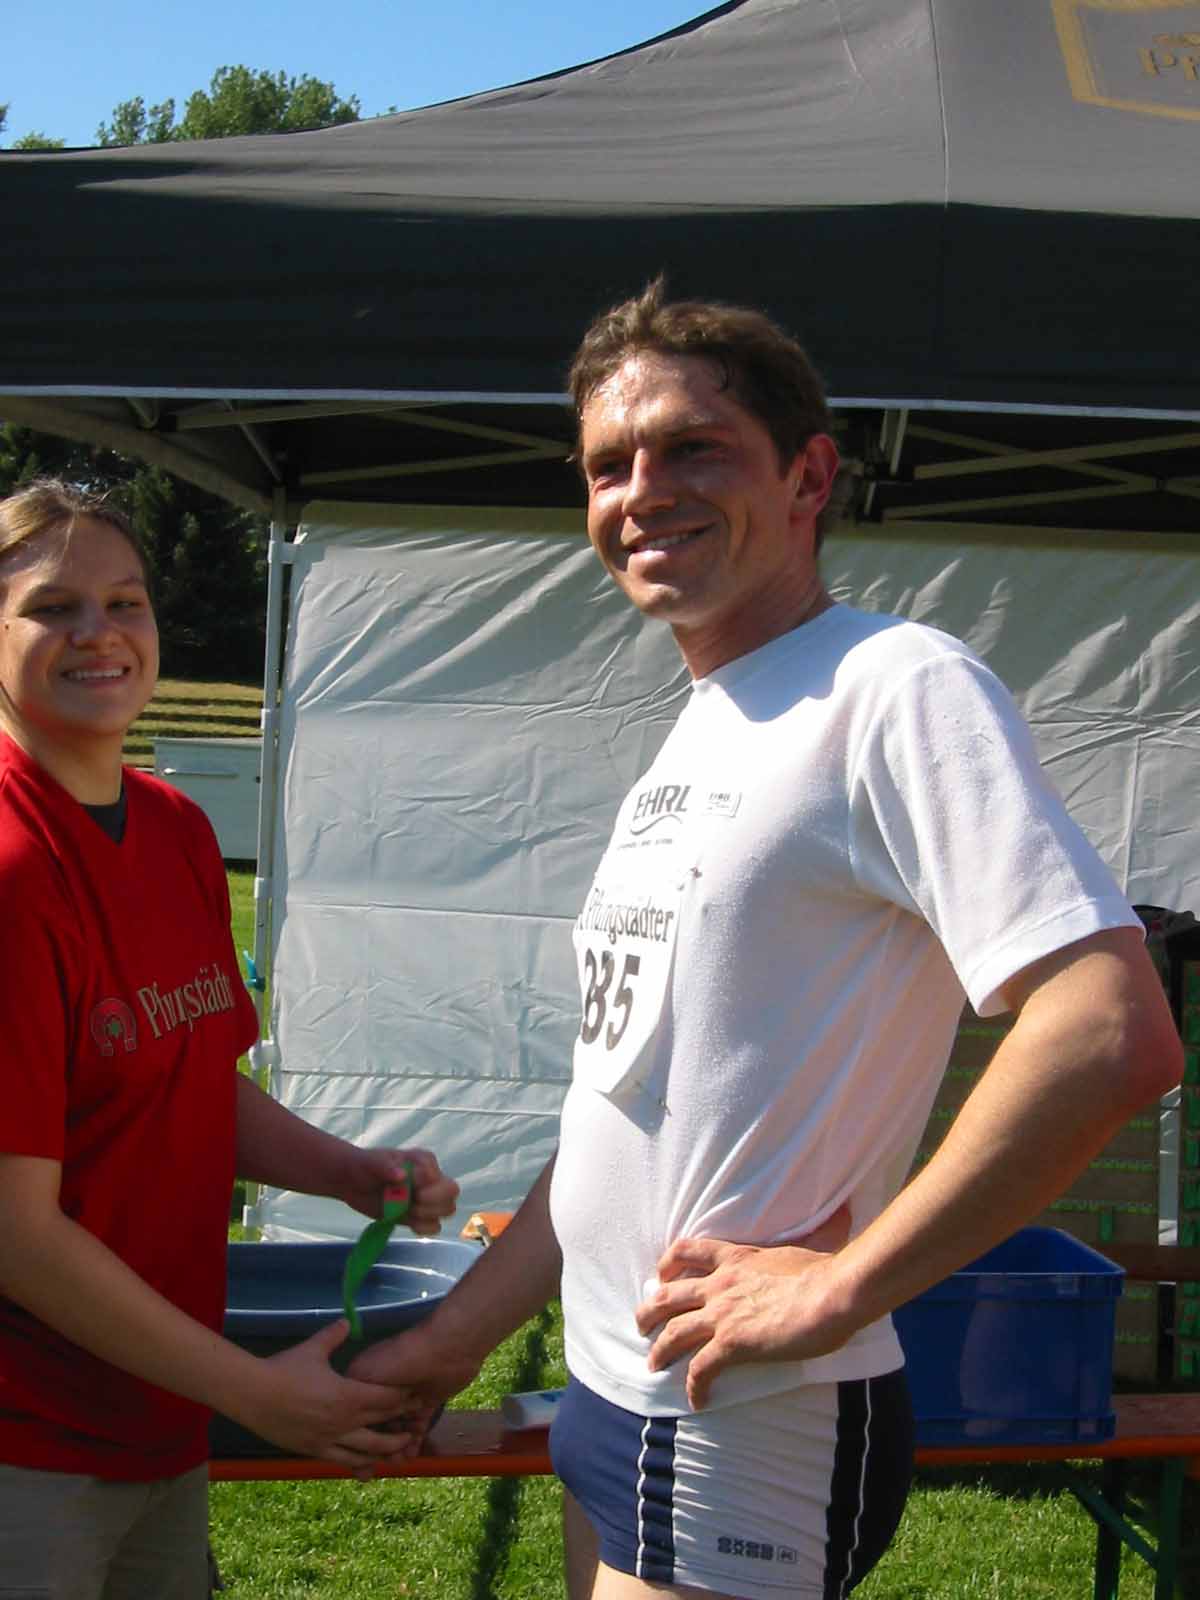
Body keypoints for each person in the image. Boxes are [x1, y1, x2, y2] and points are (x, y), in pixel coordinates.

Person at [349, 282, 1183, 1600]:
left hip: (745, 1417)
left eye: (693, 448)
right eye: (608, 465)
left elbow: (1110, 1029)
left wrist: (843, 1285)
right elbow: (621, 1118)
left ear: (808, 477)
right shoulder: (708, 721)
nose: (643, 492)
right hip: (614, 1392)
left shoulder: (893, 687)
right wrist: (455, 1340)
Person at [0, 479, 459, 1599]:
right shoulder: (12, 870)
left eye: (126, 601)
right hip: (27, 1446)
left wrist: (344, 1170)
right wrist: (253, 1392)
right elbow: (15, 1232)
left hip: (159, 1413)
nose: (100, 632)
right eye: (52, 607)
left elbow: (195, 1079)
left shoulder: (174, 828)